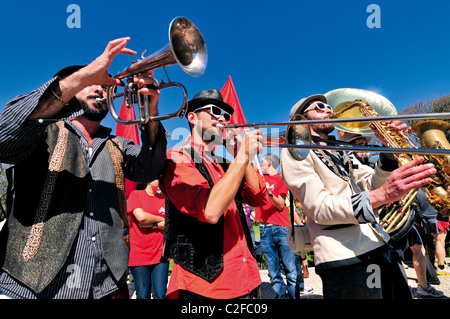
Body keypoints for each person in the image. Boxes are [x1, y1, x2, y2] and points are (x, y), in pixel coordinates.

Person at [0, 38, 167, 299]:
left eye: (104, 85)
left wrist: (150, 109)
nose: (100, 89)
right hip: (32, 287)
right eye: (90, 83)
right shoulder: (42, 132)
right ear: (72, 89)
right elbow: (5, 137)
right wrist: (79, 78)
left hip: (104, 286)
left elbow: (150, 170)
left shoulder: (119, 144)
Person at [280, 94, 437, 299]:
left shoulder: (340, 150)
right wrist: (382, 194)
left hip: (379, 244)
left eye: (328, 106)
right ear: (301, 119)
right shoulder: (295, 150)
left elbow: (371, 182)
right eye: (319, 107)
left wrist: (389, 152)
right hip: (344, 256)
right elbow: (319, 208)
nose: (328, 109)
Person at [161, 89, 267, 299]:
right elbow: (210, 210)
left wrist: (239, 155)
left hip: (246, 277)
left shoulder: (227, 163)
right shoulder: (178, 156)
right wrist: (243, 156)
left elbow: (259, 198)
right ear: (192, 117)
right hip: (206, 285)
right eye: (215, 111)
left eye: (227, 115)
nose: (223, 119)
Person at [342, 132, 444, 298]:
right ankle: (419, 286)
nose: (364, 149)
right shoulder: (349, 167)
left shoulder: (371, 164)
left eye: (364, 144)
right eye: (358, 145)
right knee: (377, 276)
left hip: (396, 219)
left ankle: (423, 286)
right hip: (374, 227)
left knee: (416, 251)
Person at [254, 153, 303, 298]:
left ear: (269, 163)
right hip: (263, 228)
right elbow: (250, 164)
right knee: (273, 272)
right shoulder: (258, 175)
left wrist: (269, 192)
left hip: (281, 228)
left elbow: (280, 204)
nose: (260, 165)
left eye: (262, 162)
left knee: (291, 271)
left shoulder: (282, 178)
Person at [127, 180, 169, 299]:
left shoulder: (165, 198)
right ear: (149, 180)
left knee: (160, 294)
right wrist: (161, 219)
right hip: (139, 254)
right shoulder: (136, 195)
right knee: (142, 295)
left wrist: (152, 224)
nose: (162, 180)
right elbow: (142, 218)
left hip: (160, 253)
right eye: (158, 178)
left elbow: (170, 224)